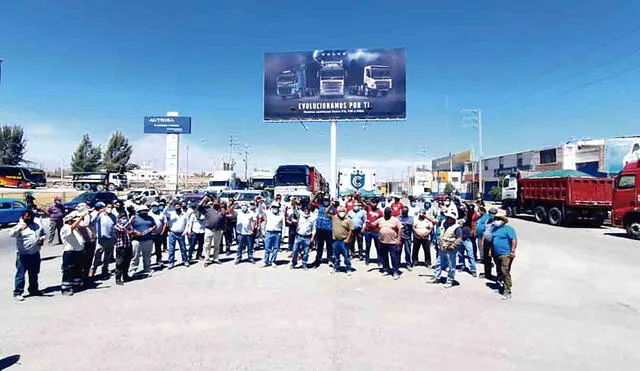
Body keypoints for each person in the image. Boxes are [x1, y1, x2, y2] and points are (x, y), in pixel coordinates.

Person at [10, 210, 45, 301]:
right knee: (21, 274)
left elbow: (43, 234)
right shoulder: (20, 225)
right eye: (27, 217)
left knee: (34, 273)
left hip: (35, 253)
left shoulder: (36, 225)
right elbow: (11, 234)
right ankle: (18, 292)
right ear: (23, 217)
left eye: (30, 217)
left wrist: (41, 239)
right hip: (23, 255)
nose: (28, 218)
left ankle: (33, 290)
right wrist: (20, 229)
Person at [429, 211, 463, 288]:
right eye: (447, 217)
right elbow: (435, 222)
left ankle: (450, 280)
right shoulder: (444, 223)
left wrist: (453, 246)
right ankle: (436, 277)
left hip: (450, 249)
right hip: (442, 248)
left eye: (449, 218)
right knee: (439, 263)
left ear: (452, 219)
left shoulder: (457, 227)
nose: (447, 218)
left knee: (451, 266)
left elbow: (459, 238)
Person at [490, 215, 518, 299]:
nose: (496, 221)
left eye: (498, 219)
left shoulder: (509, 229)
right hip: (496, 253)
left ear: (503, 221)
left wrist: (512, 251)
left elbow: (514, 240)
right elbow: (492, 240)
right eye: (495, 219)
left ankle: (507, 290)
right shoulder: (494, 229)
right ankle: (501, 284)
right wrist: (490, 250)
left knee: (504, 270)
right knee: (499, 270)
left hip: (506, 253)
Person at [60, 211, 87, 296]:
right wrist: (80, 217)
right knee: (68, 270)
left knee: (77, 269)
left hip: (77, 252)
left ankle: (76, 284)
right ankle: (66, 288)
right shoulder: (66, 227)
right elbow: (72, 227)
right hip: (69, 252)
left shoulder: (76, 228)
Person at [372, 207, 403, 279]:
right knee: (384, 257)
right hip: (382, 241)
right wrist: (368, 221)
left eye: (388, 213)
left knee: (394, 257)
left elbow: (400, 229)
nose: (387, 214)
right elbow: (373, 225)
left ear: (390, 213)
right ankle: (386, 269)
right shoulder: (381, 219)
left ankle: (395, 271)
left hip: (392, 242)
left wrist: (399, 239)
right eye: (386, 213)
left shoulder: (395, 220)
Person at [129, 205, 157, 276]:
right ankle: (133, 269)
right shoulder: (134, 218)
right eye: (142, 210)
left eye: (146, 210)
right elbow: (128, 227)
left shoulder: (150, 218)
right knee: (135, 256)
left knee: (147, 255)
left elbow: (154, 225)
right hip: (136, 239)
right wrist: (135, 232)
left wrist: (151, 229)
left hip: (148, 239)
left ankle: (147, 268)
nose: (144, 211)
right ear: (138, 211)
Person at [327, 206, 354, 274]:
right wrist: (331, 205)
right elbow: (326, 212)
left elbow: (351, 230)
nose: (341, 213)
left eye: (343, 211)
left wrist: (348, 239)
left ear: (345, 212)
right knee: (336, 256)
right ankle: (336, 267)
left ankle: (348, 268)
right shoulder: (334, 217)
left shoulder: (348, 220)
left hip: (344, 241)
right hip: (335, 241)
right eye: (340, 211)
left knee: (346, 256)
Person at [91, 202, 116, 278]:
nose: (109, 209)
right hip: (101, 239)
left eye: (111, 207)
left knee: (107, 256)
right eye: (108, 207)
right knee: (97, 255)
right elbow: (92, 221)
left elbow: (115, 226)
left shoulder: (113, 216)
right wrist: (98, 213)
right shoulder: (100, 215)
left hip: (110, 239)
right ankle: (92, 270)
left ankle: (105, 270)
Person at [199, 198, 225, 267]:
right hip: (209, 230)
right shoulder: (208, 209)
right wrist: (204, 200)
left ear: (219, 203)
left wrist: (223, 229)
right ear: (213, 203)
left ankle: (216, 259)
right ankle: (206, 260)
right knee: (207, 245)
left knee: (217, 245)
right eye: (215, 203)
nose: (216, 204)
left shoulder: (222, 210)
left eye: (217, 203)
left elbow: (223, 220)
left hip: (218, 230)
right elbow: (199, 207)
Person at [290, 205, 316, 270]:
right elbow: (295, 210)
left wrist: (312, 238)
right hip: (298, 236)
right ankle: (294, 263)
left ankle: (304, 264)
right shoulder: (300, 215)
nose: (306, 211)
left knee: (306, 252)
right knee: (295, 250)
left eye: (307, 210)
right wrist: (293, 204)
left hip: (307, 238)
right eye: (305, 209)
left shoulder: (312, 218)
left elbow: (314, 229)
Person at [76, 203, 98, 279]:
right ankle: (81, 275)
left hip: (90, 240)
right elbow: (84, 224)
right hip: (82, 241)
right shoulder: (77, 216)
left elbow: (87, 223)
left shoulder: (87, 215)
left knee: (89, 259)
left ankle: (86, 275)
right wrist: (83, 216)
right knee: (82, 260)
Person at [312, 195, 335, 268]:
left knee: (329, 246)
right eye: (325, 199)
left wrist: (331, 204)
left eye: (327, 200)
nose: (326, 201)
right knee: (319, 246)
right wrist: (317, 194)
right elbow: (312, 202)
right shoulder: (320, 206)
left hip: (328, 229)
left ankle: (330, 259)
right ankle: (318, 259)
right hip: (319, 229)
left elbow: (332, 216)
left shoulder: (333, 208)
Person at [166, 201, 190, 269]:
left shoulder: (185, 214)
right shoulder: (171, 214)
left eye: (178, 206)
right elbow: (164, 212)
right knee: (171, 249)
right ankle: (171, 262)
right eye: (176, 207)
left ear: (181, 207)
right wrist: (168, 205)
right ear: (174, 207)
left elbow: (187, 224)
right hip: (172, 233)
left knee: (183, 248)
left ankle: (185, 260)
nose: (177, 208)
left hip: (181, 233)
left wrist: (185, 231)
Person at [262, 201, 284, 267]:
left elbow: (283, 225)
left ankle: (273, 261)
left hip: (277, 233)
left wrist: (283, 235)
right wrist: (260, 202)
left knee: (276, 248)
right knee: (267, 248)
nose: (275, 208)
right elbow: (261, 210)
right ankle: (266, 261)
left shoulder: (281, 214)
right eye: (273, 207)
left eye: (276, 207)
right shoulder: (268, 213)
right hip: (269, 232)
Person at [113, 212, 133, 285]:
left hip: (128, 245)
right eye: (123, 218)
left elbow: (131, 230)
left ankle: (125, 276)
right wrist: (129, 221)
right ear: (119, 219)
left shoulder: (128, 225)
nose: (125, 220)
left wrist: (129, 226)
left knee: (127, 262)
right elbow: (122, 229)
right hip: (121, 247)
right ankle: (118, 278)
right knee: (120, 263)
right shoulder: (117, 226)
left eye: (125, 218)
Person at [363, 198, 384, 266]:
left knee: (378, 246)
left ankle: (379, 260)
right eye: (372, 202)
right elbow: (363, 204)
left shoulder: (380, 212)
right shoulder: (368, 208)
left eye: (375, 203)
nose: (373, 204)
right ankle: (367, 259)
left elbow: (381, 221)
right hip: (368, 231)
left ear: (377, 204)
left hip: (376, 231)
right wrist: (358, 197)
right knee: (367, 246)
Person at [480, 207, 499, 279]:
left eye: (493, 213)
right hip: (486, 241)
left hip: (493, 242)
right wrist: (482, 240)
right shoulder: (487, 220)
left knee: (496, 259)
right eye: (490, 213)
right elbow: (485, 231)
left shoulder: (496, 222)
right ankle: (487, 274)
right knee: (486, 258)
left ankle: (499, 276)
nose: (492, 214)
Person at [149, 202, 167, 267]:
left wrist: (162, 232)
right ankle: (148, 262)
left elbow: (165, 223)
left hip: (158, 234)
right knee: (149, 249)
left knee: (158, 248)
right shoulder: (149, 214)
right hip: (150, 234)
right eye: (153, 206)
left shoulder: (161, 214)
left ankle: (159, 259)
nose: (154, 207)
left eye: (156, 206)